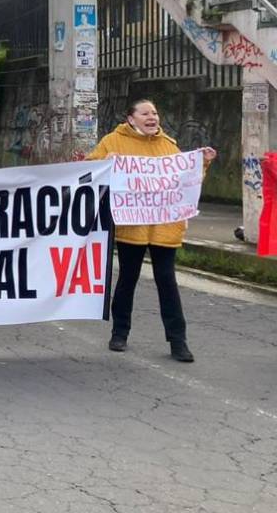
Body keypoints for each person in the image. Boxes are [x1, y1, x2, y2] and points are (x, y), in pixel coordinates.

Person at [84, 99, 216, 362]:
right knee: (127, 278)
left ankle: (178, 341)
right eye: (145, 113)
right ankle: (119, 333)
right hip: (132, 225)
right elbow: (90, 171)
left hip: (165, 227)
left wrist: (202, 163)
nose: (152, 117)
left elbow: (185, 183)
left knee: (166, 280)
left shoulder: (169, 145)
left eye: (155, 112)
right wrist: (105, 163)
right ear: (131, 119)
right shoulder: (113, 141)